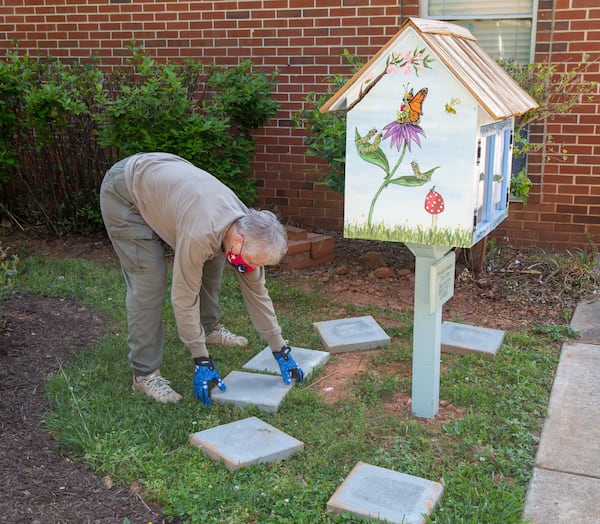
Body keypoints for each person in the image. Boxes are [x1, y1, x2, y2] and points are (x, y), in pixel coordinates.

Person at [99, 152, 304, 406]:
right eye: (251, 262)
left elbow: (257, 293)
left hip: (164, 181)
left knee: (216, 257)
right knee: (149, 283)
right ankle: (144, 375)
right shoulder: (201, 234)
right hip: (126, 192)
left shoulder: (244, 229)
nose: (250, 268)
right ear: (238, 240)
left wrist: (280, 348)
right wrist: (201, 359)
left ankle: (208, 328)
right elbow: (184, 297)